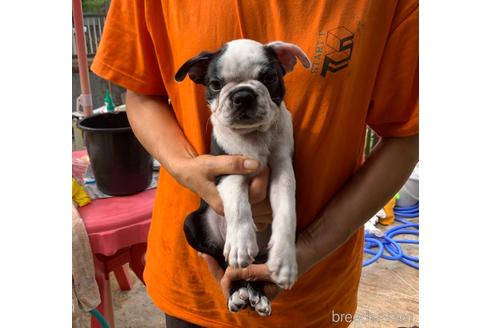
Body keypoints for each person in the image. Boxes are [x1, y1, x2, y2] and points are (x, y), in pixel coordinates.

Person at [92, 0, 419, 327]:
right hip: (192, 281)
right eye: (221, 85)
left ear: (287, 62)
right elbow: (139, 91)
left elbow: (410, 132)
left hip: (316, 289)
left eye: (264, 81)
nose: (242, 97)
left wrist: (307, 247)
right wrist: (187, 168)